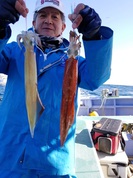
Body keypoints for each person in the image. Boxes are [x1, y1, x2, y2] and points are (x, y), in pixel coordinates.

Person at [0, 0, 113, 177]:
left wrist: (94, 35)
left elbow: (96, 78)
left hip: (55, 160)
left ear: (63, 27)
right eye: (43, 15)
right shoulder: (16, 50)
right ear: (33, 23)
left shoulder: (72, 60)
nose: (48, 20)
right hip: (10, 155)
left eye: (55, 17)